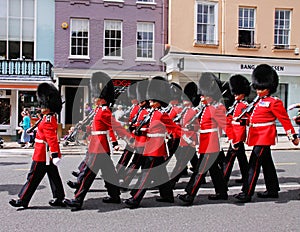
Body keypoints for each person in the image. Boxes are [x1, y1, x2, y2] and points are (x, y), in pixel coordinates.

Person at [63, 71, 133, 211]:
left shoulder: (105, 111)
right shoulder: (99, 110)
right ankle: (114, 196)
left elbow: (115, 126)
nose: (94, 98)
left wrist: (128, 138)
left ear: (102, 98)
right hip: (98, 145)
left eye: (96, 96)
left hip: (99, 147)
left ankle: (77, 200)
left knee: (87, 174)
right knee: (109, 173)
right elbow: (95, 127)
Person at [234, 64, 299, 203]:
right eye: (257, 88)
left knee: (254, 164)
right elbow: (253, 118)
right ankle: (272, 190)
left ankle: (247, 192)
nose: (258, 91)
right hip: (256, 134)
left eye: (262, 88)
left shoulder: (274, 102)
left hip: (264, 136)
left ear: (269, 87)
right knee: (267, 163)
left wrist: (292, 136)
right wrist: (242, 120)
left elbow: (284, 119)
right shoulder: (258, 102)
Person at [124, 77, 182, 209]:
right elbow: (150, 128)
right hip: (150, 146)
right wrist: (141, 131)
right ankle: (167, 196)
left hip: (156, 148)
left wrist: (178, 138)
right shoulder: (152, 113)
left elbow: (175, 129)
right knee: (160, 173)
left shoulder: (162, 114)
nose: (149, 100)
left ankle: (135, 198)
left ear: (159, 100)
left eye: (152, 99)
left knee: (146, 172)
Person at [9, 82, 65, 209]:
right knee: (53, 176)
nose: (40, 107)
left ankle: (23, 199)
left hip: (43, 154)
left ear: (49, 106)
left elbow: (51, 139)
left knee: (33, 177)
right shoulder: (47, 118)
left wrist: (55, 154)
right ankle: (59, 197)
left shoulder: (48, 120)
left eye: (42, 105)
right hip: (46, 153)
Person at [178, 72, 230, 205]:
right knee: (214, 170)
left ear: (211, 94)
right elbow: (202, 126)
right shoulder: (206, 108)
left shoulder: (217, 108)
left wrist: (233, 139)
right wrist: (191, 129)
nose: (201, 97)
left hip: (211, 143)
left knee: (199, 170)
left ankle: (190, 194)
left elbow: (225, 125)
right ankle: (222, 192)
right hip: (205, 142)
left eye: (203, 94)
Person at [223, 75, 250, 184]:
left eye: (237, 93)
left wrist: (236, 139)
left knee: (228, 160)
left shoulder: (244, 106)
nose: (235, 95)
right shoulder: (235, 105)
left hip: (237, 136)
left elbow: (243, 124)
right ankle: (246, 176)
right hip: (234, 134)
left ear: (243, 94)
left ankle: (222, 180)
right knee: (242, 158)